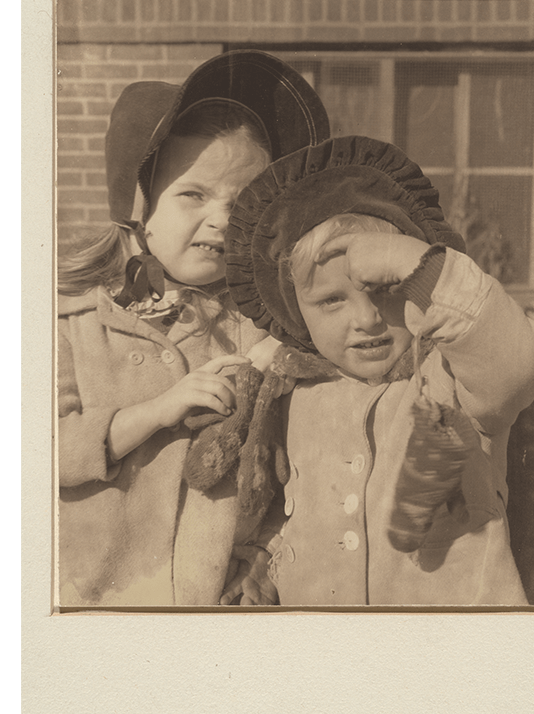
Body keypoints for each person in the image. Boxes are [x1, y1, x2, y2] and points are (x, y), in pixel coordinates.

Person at [57, 50, 330, 608]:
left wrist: (263, 561)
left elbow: (291, 472)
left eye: (243, 201)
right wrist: (155, 412)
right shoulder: (72, 319)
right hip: (91, 605)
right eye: (194, 194)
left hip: (211, 608)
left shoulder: (266, 331)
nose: (224, 219)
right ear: (137, 203)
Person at [220, 135, 534, 606]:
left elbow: (515, 366)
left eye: (387, 290)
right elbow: (296, 508)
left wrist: (420, 267)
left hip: (449, 652)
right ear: (295, 313)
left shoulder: (453, 379)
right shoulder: (297, 394)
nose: (367, 319)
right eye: (332, 300)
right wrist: (264, 563)